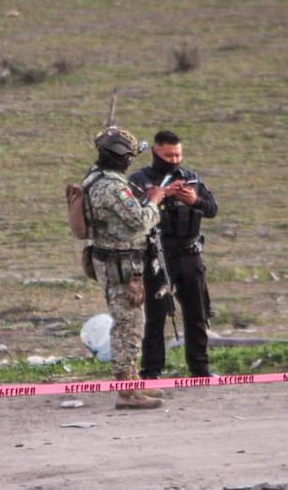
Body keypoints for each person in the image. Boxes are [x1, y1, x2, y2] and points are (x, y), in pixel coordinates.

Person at [83, 127, 168, 409]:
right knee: (129, 326)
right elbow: (140, 221)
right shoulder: (113, 188)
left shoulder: (94, 178)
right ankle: (127, 391)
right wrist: (155, 201)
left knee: (127, 324)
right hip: (121, 265)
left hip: (112, 262)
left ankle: (130, 385)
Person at [129, 131, 218, 379]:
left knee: (197, 314)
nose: (174, 159)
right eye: (169, 155)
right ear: (156, 152)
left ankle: (200, 369)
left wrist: (195, 200)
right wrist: (162, 196)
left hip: (190, 254)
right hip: (157, 256)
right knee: (155, 317)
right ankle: (151, 371)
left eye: (178, 154)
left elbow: (212, 209)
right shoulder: (139, 180)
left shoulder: (191, 178)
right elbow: (131, 217)